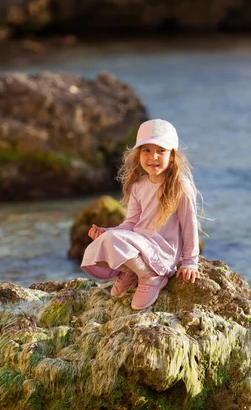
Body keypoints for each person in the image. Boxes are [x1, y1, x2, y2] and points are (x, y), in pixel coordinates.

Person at [81, 119, 201, 310]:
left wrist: (190, 262)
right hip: (140, 242)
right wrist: (108, 232)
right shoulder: (138, 186)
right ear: (138, 155)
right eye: (147, 150)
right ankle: (130, 272)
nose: (153, 156)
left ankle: (150, 276)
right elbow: (131, 223)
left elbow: (189, 225)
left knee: (113, 240)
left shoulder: (180, 186)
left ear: (172, 156)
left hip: (162, 251)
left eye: (161, 150)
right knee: (104, 241)